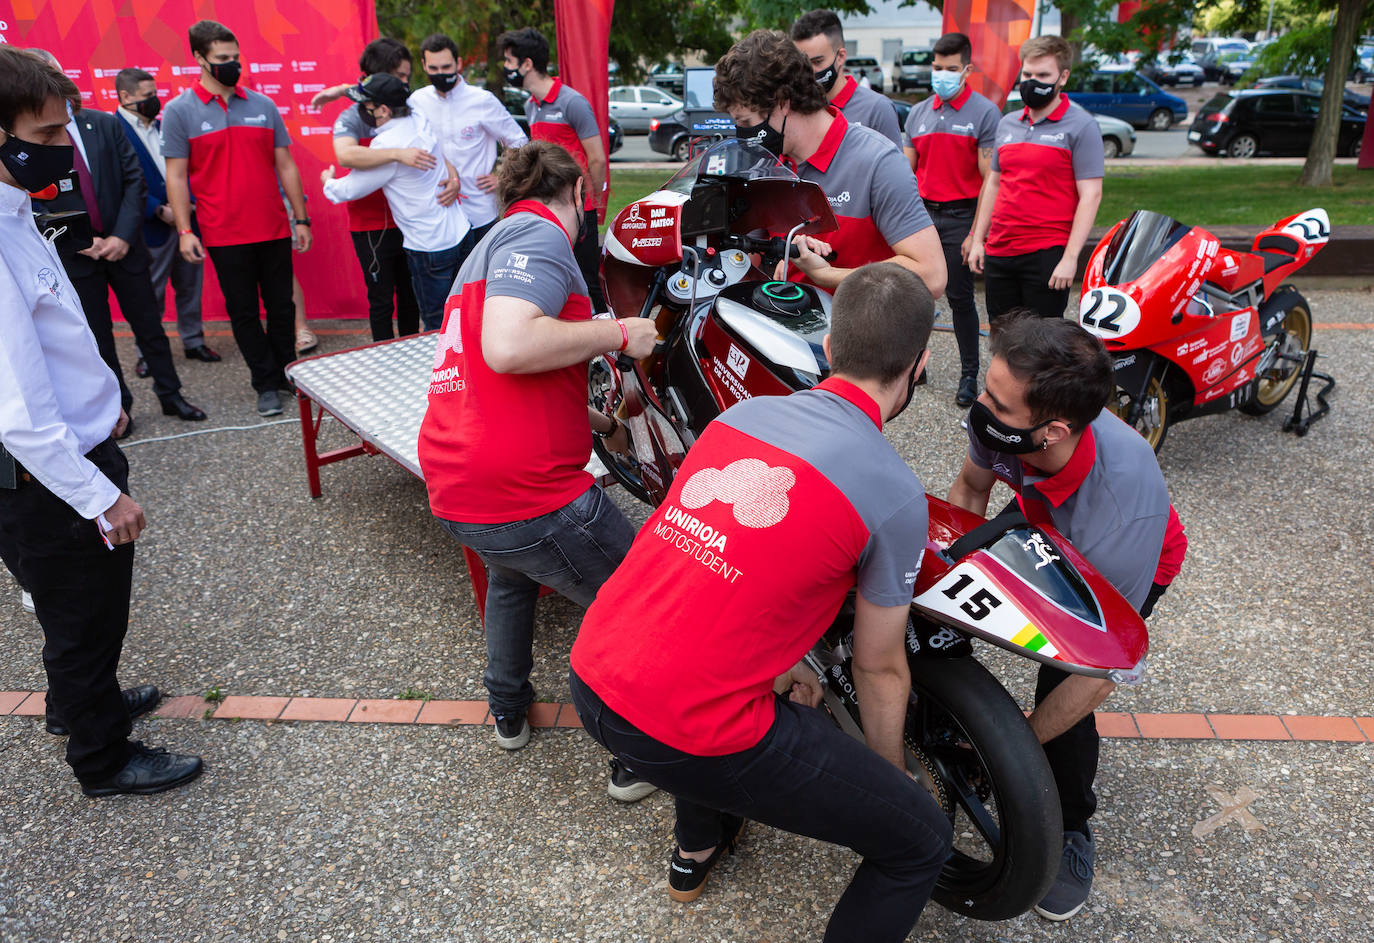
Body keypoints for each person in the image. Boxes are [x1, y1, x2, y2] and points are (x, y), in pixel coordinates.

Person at [569, 264, 951, 939]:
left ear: (829, 347)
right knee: (919, 838)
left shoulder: (740, 418)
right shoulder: (893, 493)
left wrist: (780, 662)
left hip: (595, 675)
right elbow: (879, 666)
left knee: (694, 677)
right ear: (920, 363)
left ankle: (696, 847)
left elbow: (716, 569)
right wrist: (887, 783)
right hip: (686, 729)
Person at [416, 141, 657, 797]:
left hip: (462, 478)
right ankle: (638, 751)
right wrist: (618, 332)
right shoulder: (540, 235)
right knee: (641, 603)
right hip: (528, 490)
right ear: (578, 192)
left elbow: (513, 383)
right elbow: (512, 346)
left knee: (513, 574)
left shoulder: (488, 243)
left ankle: (508, 709)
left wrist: (605, 427)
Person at [0, 45, 203, 797]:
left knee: (74, 613)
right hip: (52, 476)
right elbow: (17, 409)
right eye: (48, 136)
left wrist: (102, 400)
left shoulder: (18, 212)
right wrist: (99, 495)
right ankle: (103, 756)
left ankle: (81, 706)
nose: (64, 148)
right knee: (83, 619)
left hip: (69, 454)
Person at [947, 313, 1187, 921]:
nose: (980, 407)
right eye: (986, 389)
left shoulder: (1120, 514)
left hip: (1120, 561)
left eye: (996, 403)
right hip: (1047, 515)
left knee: (1064, 683)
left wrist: (1007, 748)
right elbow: (971, 490)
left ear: (1051, 431)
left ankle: (1074, 828)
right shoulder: (1007, 425)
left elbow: (1101, 673)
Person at [29, 56, 206, 432]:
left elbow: (134, 181)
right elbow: (33, 200)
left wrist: (121, 236)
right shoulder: (29, 140)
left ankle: (171, 395)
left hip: (125, 248)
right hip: (77, 256)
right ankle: (117, 410)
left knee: (150, 328)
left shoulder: (104, 123)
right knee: (98, 339)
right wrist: (82, 240)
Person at [713, 30, 945, 298]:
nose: (743, 134)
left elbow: (932, 275)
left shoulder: (877, 162)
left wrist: (829, 276)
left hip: (858, 334)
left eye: (745, 123)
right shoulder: (772, 162)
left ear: (782, 102)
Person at [162, 19, 314, 418]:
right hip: (224, 234)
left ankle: (285, 373)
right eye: (222, 59)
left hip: (273, 228)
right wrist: (184, 230)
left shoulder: (262, 106)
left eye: (235, 57)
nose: (232, 65)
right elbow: (176, 176)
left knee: (282, 307)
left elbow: (286, 165)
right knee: (244, 312)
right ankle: (264, 383)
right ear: (199, 58)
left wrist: (301, 218)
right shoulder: (180, 112)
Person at [966, 36, 1104, 322]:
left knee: (1041, 346)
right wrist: (978, 239)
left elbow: (1091, 195)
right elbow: (993, 183)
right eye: (1027, 74)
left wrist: (1070, 258)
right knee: (1002, 337)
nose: (1032, 81)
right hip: (1000, 249)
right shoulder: (1007, 123)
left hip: (1046, 253)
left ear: (1063, 77)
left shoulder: (1082, 126)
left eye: (1043, 75)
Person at [320, 73, 472, 332]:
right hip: (460, 231)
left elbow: (346, 190)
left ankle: (448, 372)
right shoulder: (418, 117)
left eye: (366, 107)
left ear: (383, 109)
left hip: (429, 248)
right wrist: (339, 90)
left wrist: (327, 180)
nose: (361, 112)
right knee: (466, 314)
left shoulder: (387, 145)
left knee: (439, 324)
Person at [902, 32, 1001, 408]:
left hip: (962, 216)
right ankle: (915, 365)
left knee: (960, 299)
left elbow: (990, 179)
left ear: (967, 70)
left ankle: (969, 374)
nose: (942, 75)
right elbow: (906, 172)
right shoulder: (919, 112)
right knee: (915, 295)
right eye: (937, 68)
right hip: (922, 215)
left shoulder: (984, 114)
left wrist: (977, 233)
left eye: (950, 69)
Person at [311, 37, 425, 342]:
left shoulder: (409, 108)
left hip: (411, 220)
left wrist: (338, 90)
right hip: (371, 226)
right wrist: (397, 154)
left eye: (407, 76)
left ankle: (412, 353)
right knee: (381, 300)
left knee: (411, 297)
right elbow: (346, 155)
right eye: (399, 76)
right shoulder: (353, 117)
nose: (406, 83)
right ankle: (384, 356)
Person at [112, 68, 220, 370]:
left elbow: (188, 170)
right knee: (151, 294)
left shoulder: (164, 126)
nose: (155, 100)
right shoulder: (113, 130)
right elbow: (120, 182)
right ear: (126, 96)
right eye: (148, 96)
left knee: (189, 285)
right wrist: (158, 209)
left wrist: (189, 204)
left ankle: (193, 340)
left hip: (187, 222)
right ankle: (149, 353)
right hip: (150, 229)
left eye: (155, 93)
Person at [497, 27, 608, 312]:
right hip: (547, 208)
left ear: (527, 64)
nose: (505, 67)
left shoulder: (572, 102)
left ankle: (605, 339)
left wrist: (591, 203)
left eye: (509, 61)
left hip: (578, 206)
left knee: (587, 279)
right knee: (556, 275)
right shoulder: (531, 105)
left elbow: (596, 158)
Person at [409, 33, 528, 247]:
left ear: (459, 63)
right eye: (433, 69)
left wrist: (503, 178)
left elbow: (518, 141)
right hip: (436, 215)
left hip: (479, 212)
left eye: (446, 67)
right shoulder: (417, 101)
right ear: (423, 65)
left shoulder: (482, 101)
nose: (440, 73)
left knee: (480, 279)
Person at [790, 9, 902, 147]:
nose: (810, 70)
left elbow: (894, 167)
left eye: (817, 62)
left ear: (841, 57)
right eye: (803, 63)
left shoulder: (877, 109)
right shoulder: (795, 109)